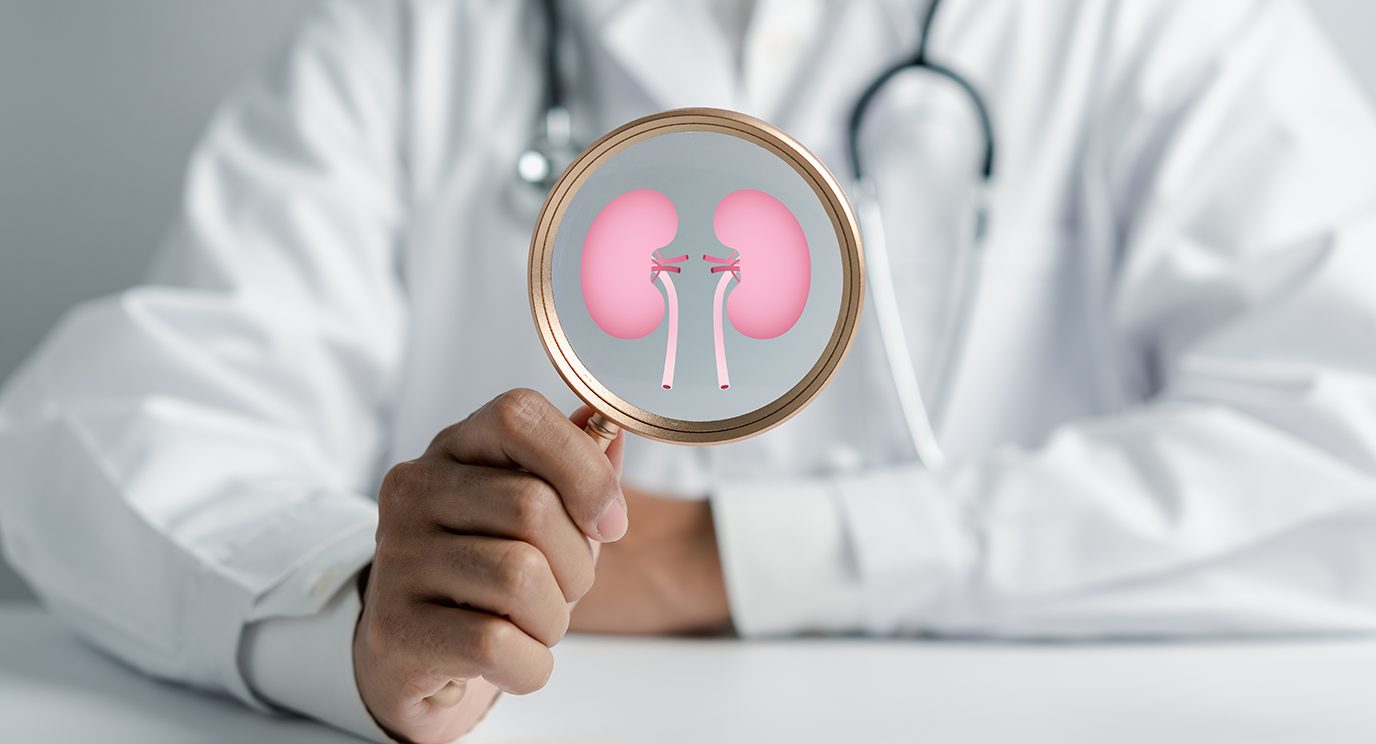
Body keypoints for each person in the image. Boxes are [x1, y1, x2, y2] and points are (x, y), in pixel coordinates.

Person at [3, 0, 1376, 741]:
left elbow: (1348, 437)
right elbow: (100, 424)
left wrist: (729, 557)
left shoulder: (1169, 29)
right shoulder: (416, 38)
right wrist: (361, 608)